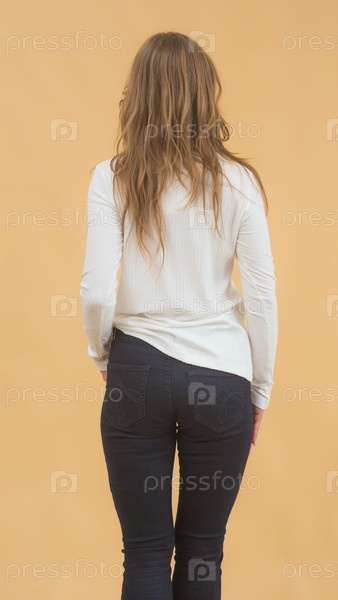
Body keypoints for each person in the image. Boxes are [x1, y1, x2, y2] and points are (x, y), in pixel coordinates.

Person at [80, 30, 278, 600]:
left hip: (137, 373)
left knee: (144, 554)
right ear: (205, 96)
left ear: (137, 95)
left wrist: (103, 356)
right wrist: (259, 390)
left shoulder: (111, 177)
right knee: (202, 554)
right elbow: (262, 297)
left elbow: (96, 292)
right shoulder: (239, 182)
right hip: (222, 378)